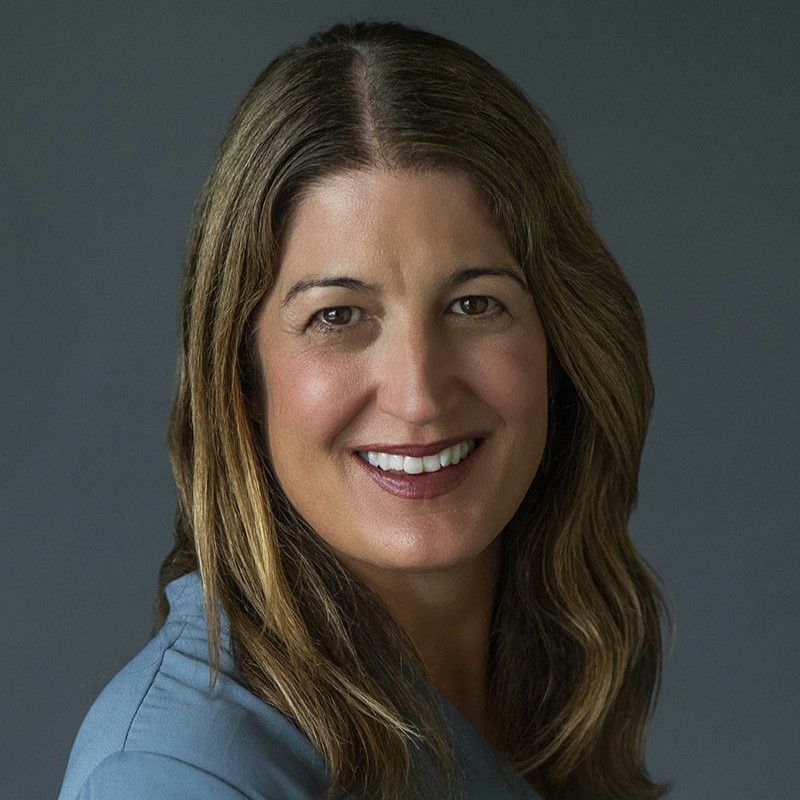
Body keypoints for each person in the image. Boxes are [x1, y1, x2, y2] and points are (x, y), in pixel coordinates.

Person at [57, 19, 673, 800]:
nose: (418, 395)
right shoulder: (178, 770)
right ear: (241, 374)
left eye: (475, 304)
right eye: (338, 317)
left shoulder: (536, 694)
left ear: (562, 342)